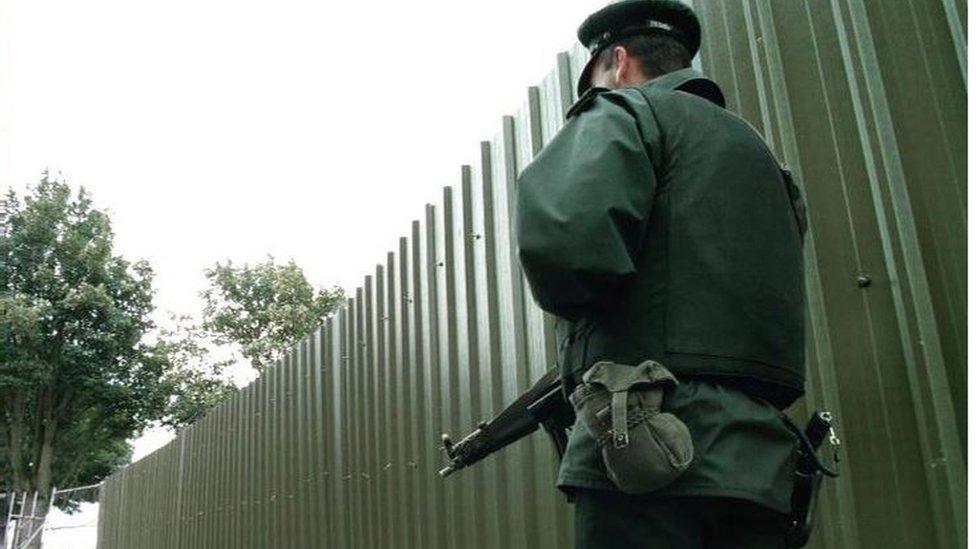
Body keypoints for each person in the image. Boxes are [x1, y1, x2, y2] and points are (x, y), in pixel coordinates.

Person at [514, 1, 810, 547]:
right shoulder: (768, 163)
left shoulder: (624, 112)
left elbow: (570, 254)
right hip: (762, 466)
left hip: (650, 455)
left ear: (618, 62)